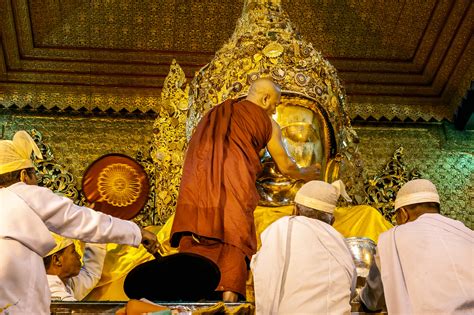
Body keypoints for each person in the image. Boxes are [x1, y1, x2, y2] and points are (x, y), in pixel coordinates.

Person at [170, 78, 320, 302]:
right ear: (265, 98)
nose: (275, 109)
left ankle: (189, 304)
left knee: (196, 246)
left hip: (199, 195)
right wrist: (309, 173)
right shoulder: (268, 123)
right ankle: (229, 303)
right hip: (234, 193)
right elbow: (286, 166)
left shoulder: (213, 116)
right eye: (275, 104)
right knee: (234, 242)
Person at [0, 130, 158, 314]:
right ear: (23, 176)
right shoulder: (23, 193)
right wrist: (137, 232)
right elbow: (83, 221)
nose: (37, 181)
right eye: (34, 174)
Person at [359, 179, 474, 314]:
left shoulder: (394, 237)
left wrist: (362, 300)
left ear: (403, 213)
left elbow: (375, 294)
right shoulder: (467, 233)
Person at [251, 180, 356, 314]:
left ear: (295, 210)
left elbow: (264, 273)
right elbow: (350, 287)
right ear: (332, 220)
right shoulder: (340, 240)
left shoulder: (282, 227)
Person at [44, 233, 106, 301]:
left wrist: (96, 232)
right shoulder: (49, 289)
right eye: (73, 251)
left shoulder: (65, 283)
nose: (79, 256)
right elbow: (74, 310)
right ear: (57, 260)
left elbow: (90, 273)